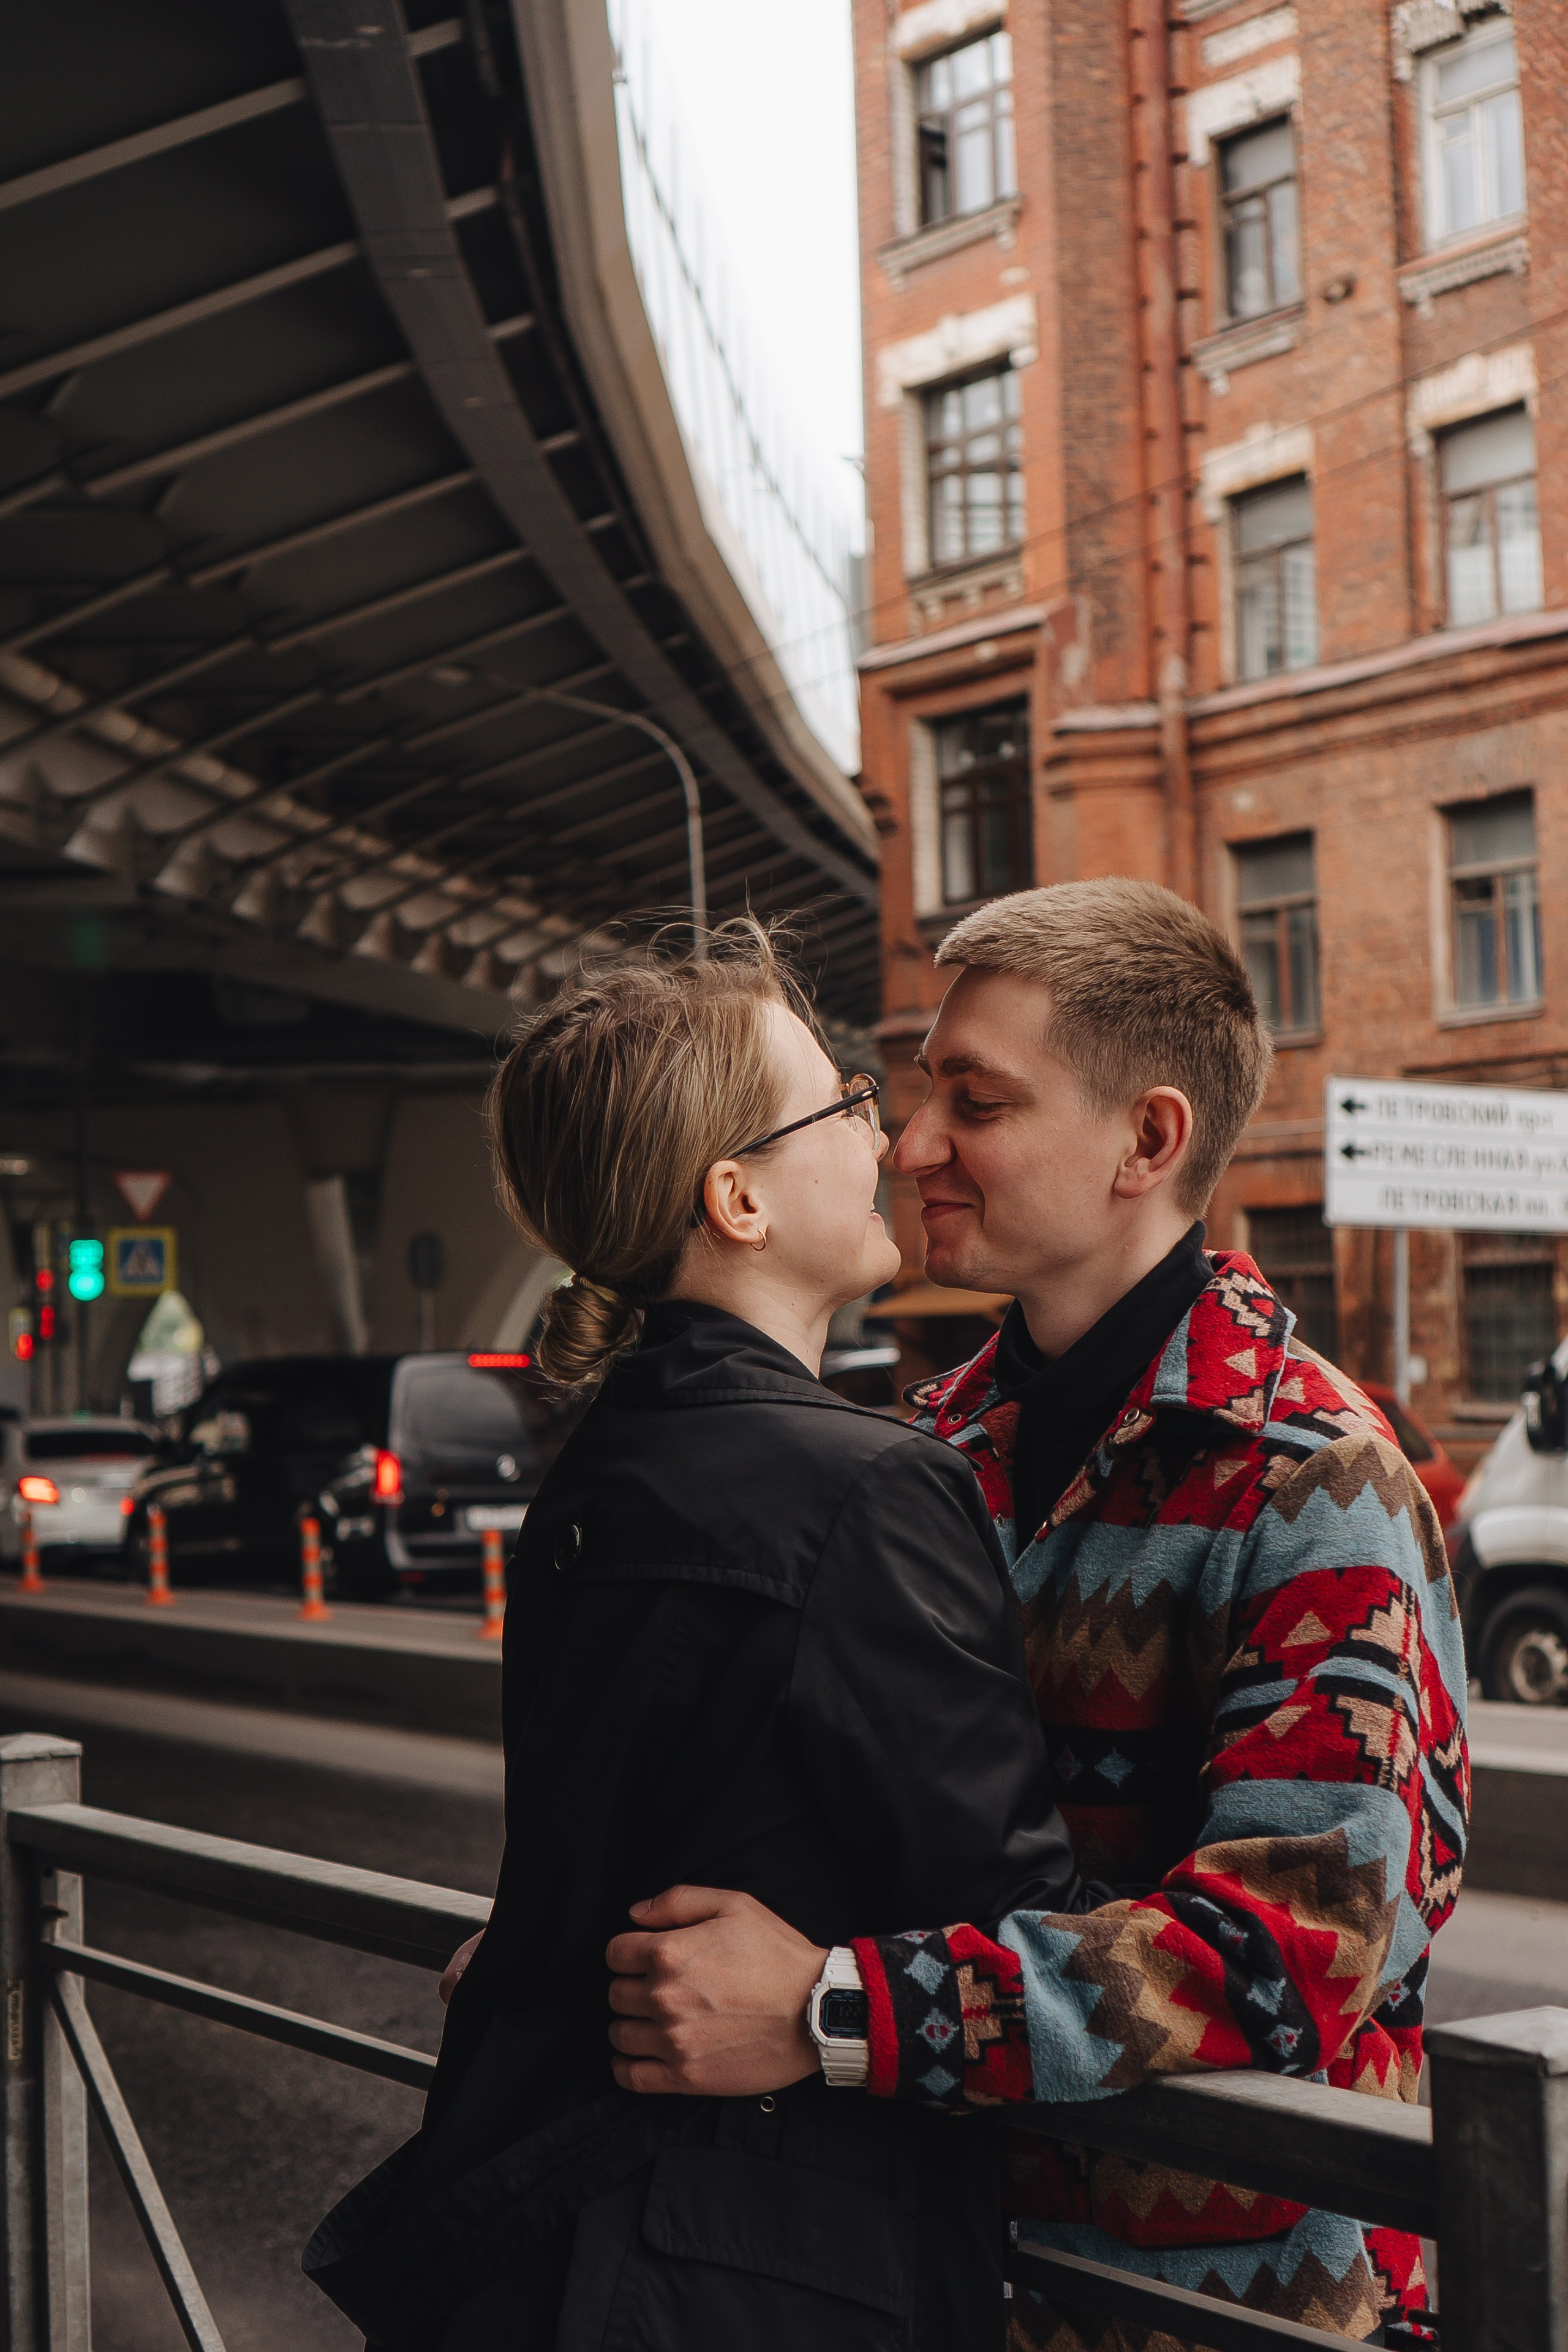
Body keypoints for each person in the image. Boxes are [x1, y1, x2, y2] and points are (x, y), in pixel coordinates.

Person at [600, 880, 1470, 2351]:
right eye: (920, 1090)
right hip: (930, 2270)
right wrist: (591, 1933)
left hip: (1231, 2304)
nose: (912, 1144)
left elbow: (1288, 1954)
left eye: (974, 1101)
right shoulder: (926, 1453)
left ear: (1146, 1140)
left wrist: (834, 2008)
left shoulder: (1316, 1481)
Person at [303, 921, 1098, 2351]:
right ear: (734, 1196)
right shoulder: (864, 1482)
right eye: (843, 1105)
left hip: (538, 2217)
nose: (881, 1138)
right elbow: (1011, 1921)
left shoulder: (604, 1466)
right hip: (762, 2256)